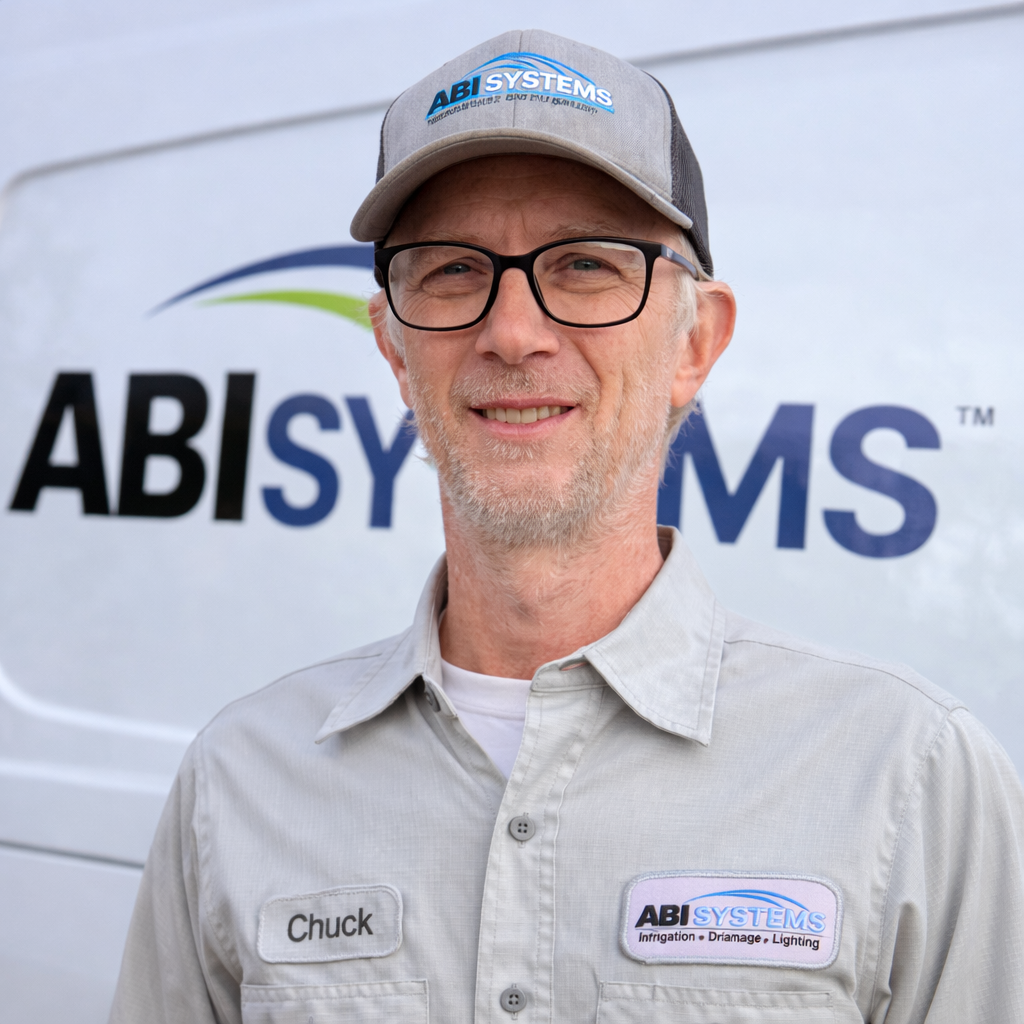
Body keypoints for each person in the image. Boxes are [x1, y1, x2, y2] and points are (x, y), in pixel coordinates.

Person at [110, 29, 1024, 1024]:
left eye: (585, 263)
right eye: (454, 269)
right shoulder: (237, 782)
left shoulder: (907, 776)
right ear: (392, 344)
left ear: (696, 341)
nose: (512, 330)